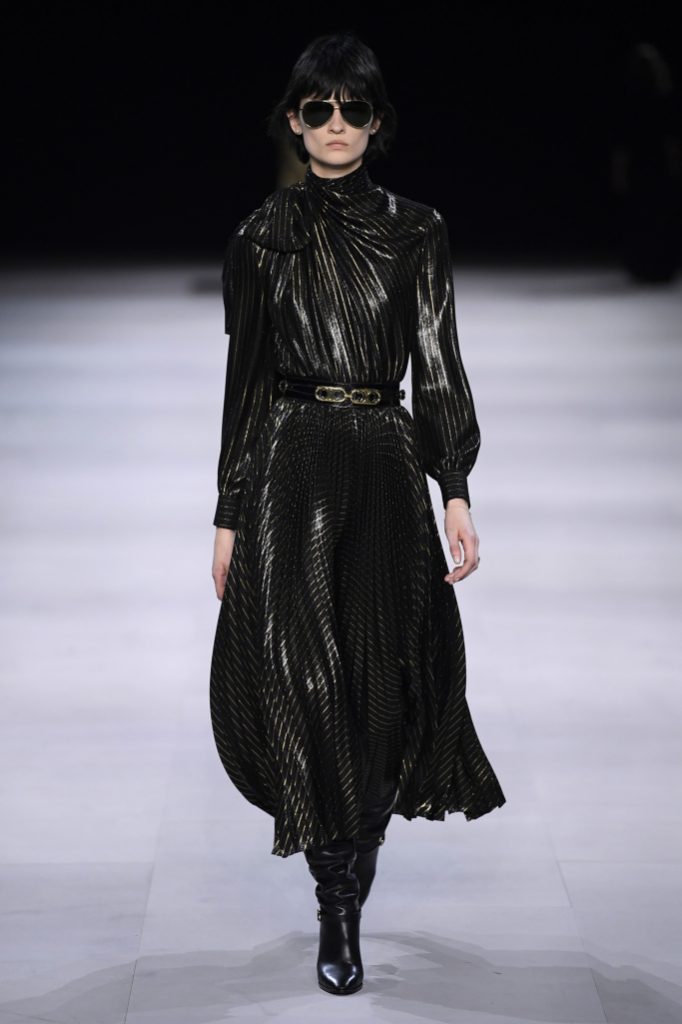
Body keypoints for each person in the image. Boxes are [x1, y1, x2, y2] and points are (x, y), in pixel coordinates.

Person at [209, 30, 506, 996]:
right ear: (294, 123)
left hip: (383, 464)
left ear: (378, 124)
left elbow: (440, 363)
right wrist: (228, 511)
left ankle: (357, 850)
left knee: (386, 685)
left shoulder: (418, 231)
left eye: (354, 109)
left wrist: (454, 488)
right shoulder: (260, 237)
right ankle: (336, 899)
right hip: (292, 471)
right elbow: (246, 386)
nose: (336, 124)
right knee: (305, 681)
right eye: (318, 109)